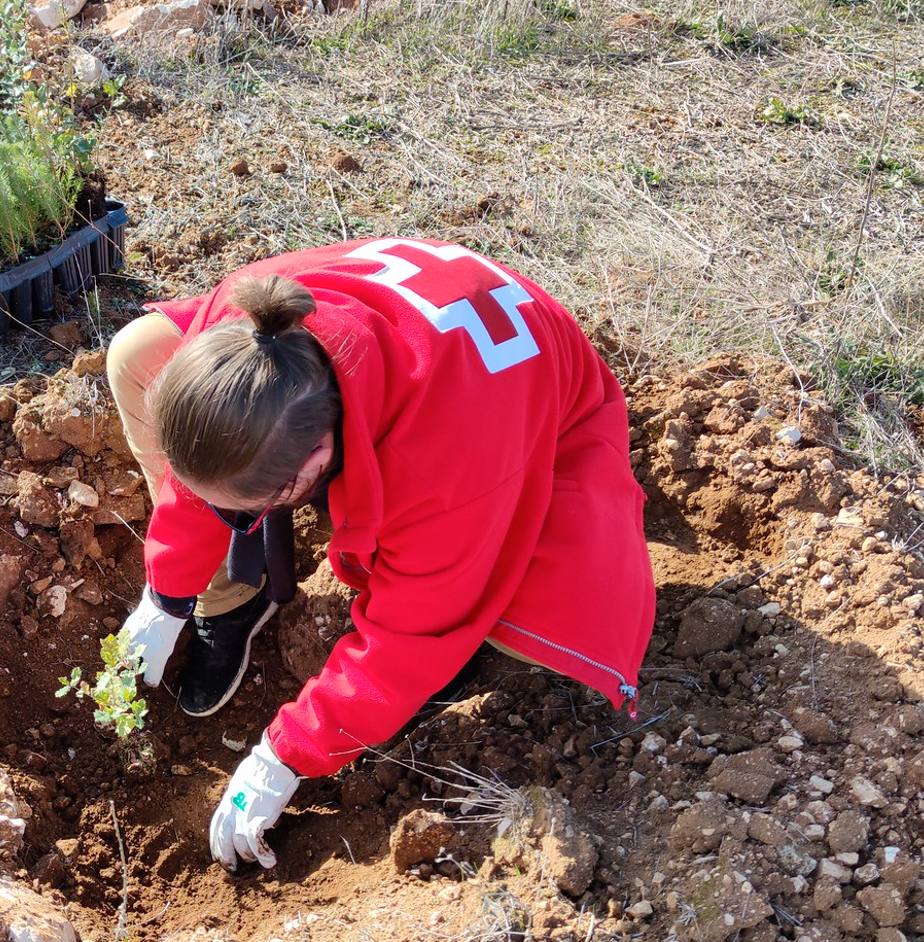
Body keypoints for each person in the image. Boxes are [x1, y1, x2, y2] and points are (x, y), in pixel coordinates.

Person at [105, 237, 655, 872]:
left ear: (316, 462)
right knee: (136, 353)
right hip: (412, 356)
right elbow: (200, 464)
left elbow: (412, 629)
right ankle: (232, 593)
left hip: (531, 418)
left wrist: (286, 754)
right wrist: (166, 589)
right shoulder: (236, 340)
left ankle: (466, 659)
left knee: (521, 614)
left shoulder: (452, 467)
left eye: (249, 509)